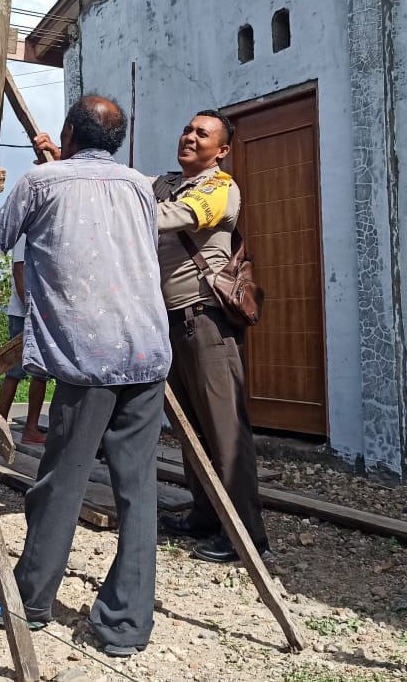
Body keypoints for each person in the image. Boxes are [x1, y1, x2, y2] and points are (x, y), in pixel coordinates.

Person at [0, 95, 171, 657]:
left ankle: (28, 602)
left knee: (60, 480)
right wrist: (58, 161)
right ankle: (126, 626)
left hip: (89, 357)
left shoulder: (41, 185)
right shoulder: (140, 185)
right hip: (147, 354)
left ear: (67, 131)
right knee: (137, 489)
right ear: (115, 140)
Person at [151, 111, 271, 563]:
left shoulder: (220, 188)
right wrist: (66, 161)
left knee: (224, 431)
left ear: (221, 150)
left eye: (202, 134)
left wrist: (123, 205)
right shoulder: (163, 182)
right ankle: (206, 515)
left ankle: (247, 538)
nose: (190, 136)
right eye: (187, 129)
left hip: (206, 322)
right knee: (193, 429)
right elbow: (114, 188)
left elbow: (173, 218)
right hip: (171, 322)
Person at [0, 235, 48, 446]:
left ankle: (31, 428)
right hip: (24, 312)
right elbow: (19, 271)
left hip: (39, 311)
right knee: (14, 371)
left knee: (41, 373)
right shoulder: (25, 235)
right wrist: (30, 308)